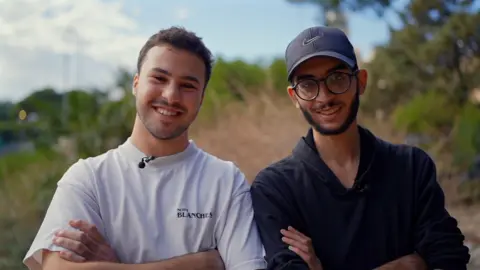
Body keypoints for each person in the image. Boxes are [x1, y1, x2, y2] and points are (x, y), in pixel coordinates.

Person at [23, 26, 267, 270]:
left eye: (188, 86)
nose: (171, 96)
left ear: (202, 98)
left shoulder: (226, 181)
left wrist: (116, 265)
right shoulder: (88, 179)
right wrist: (202, 263)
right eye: (159, 78)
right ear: (136, 83)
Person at [250, 26, 471, 270]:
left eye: (337, 79)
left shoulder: (412, 168)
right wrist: (408, 265)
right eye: (308, 85)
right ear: (294, 97)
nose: (324, 97)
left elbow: (449, 258)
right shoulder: (275, 189)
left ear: (361, 82)